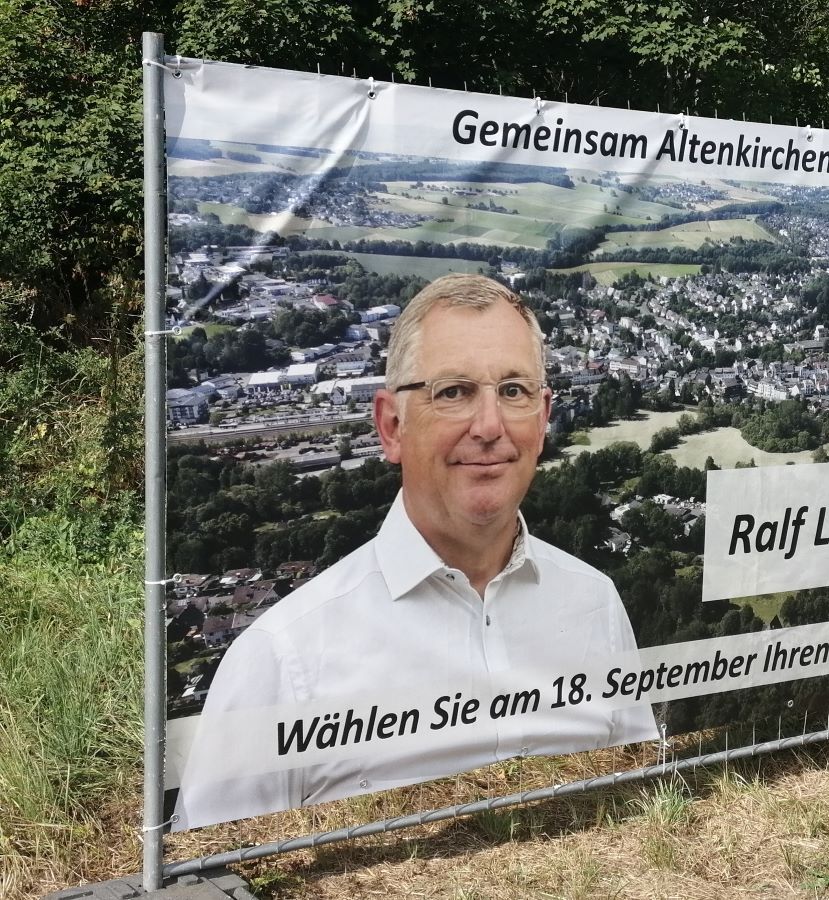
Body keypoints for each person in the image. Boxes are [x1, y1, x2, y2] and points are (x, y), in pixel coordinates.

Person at [173, 275, 657, 829]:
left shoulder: (595, 603)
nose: (490, 426)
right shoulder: (281, 660)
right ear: (391, 425)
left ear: (544, 419)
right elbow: (215, 876)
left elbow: (638, 811)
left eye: (514, 392)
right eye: (453, 392)